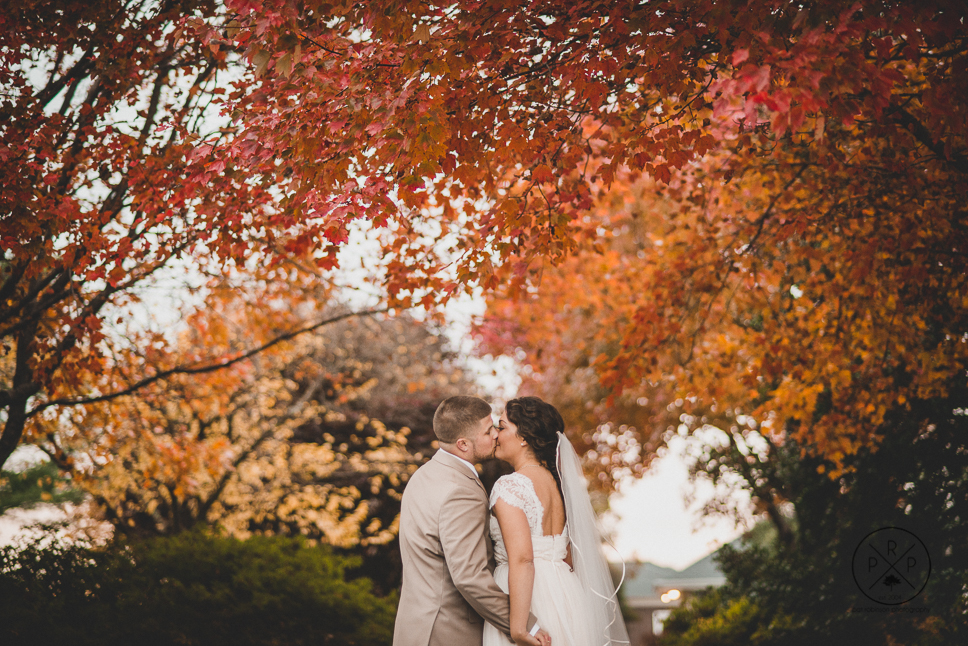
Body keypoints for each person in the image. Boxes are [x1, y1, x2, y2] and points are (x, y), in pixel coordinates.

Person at [393, 395, 551, 646]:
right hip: (448, 632)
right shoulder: (460, 490)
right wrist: (525, 626)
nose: (496, 434)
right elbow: (469, 577)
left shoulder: (424, 475)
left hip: (417, 629)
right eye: (488, 431)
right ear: (463, 444)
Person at [483, 396, 630, 646]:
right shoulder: (559, 487)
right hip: (566, 593)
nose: (496, 434)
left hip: (526, 598)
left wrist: (519, 627)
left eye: (502, 426)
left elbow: (523, 558)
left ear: (524, 437)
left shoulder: (509, 486)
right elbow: (567, 554)